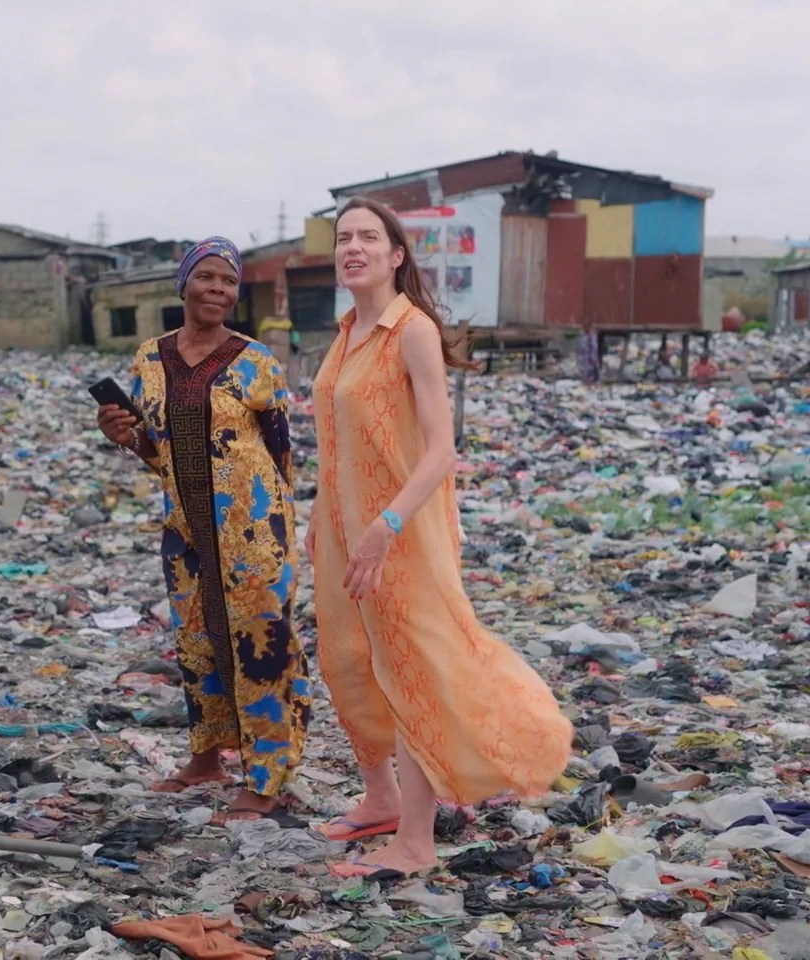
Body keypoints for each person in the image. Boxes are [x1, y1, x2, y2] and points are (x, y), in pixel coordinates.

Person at [306, 197, 573, 877]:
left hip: (400, 533)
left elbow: (439, 450)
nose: (354, 247)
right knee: (346, 657)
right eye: (344, 238)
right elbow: (334, 444)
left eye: (369, 237)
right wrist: (320, 524)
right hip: (342, 535)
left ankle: (416, 843)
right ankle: (380, 797)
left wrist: (386, 525)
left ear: (397, 256)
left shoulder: (412, 331)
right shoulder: (344, 334)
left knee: (411, 668)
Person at [96, 237, 311, 823]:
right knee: (197, 641)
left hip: (252, 531)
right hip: (187, 529)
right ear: (184, 284)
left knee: (261, 644)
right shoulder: (150, 359)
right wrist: (123, 434)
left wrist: (272, 521)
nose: (218, 289)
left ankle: (266, 778)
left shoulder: (255, 360)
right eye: (207, 277)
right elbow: (155, 449)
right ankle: (207, 758)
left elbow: (282, 452)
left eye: (228, 281)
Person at [578, 317, 600, 386]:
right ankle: (586, 383)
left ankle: (590, 384)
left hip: (589, 359)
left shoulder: (591, 336)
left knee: (589, 374)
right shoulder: (584, 335)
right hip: (584, 358)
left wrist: (593, 359)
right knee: (584, 373)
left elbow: (593, 348)